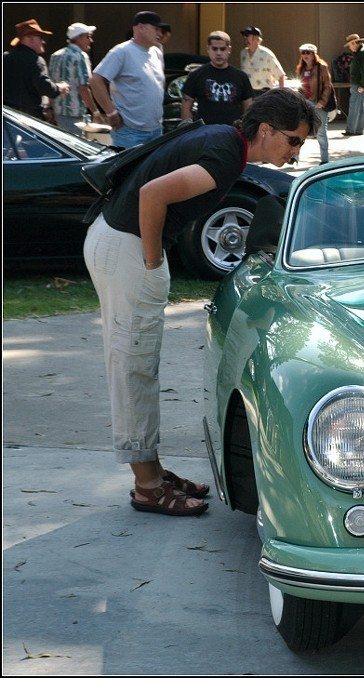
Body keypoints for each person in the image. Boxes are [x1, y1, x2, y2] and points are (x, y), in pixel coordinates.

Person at [82, 88, 317, 516]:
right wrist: (152, 259)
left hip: (118, 241)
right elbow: (153, 194)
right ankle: (147, 487)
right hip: (127, 248)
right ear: (266, 129)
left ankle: (149, 469)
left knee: (139, 363)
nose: (296, 152)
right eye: (294, 140)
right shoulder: (226, 151)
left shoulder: (225, 140)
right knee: (134, 365)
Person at [89, 11, 165, 149]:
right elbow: (96, 80)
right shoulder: (122, 51)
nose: (159, 33)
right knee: (130, 171)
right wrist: (111, 112)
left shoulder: (156, 53)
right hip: (130, 132)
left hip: (156, 131)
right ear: (140, 27)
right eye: (156, 28)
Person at [180, 31, 253, 126]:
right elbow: (186, 106)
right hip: (205, 134)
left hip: (233, 134)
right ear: (208, 49)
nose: (218, 53)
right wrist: (189, 130)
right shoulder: (196, 75)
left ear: (229, 49)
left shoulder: (241, 77)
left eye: (222, 49)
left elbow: (248, 108)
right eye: (214, 49)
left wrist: (246, 131)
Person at [3, 19, 70, 121]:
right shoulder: (36, 60)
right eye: (40, 38)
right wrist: (60, 87)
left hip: (7, 119)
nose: (43, 42)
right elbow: (45, 87)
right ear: (30, 39)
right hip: (29, 121)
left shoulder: (5, 57)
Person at [49, 22, 98, 136]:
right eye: (88, 37)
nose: (91, 41)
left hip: (58, 113)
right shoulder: (80, 56)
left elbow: (50, 85)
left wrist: (51, 110)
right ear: (79, 38)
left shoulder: (55, 55)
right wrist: (95, 112)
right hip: (75, 115)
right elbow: (83, 88)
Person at [295, 43, 333, 162]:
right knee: (300, 130)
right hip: (305, 104)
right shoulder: (301, 68)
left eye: (308, 52)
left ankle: (325, 160)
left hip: (319, 105)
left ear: (313, 54)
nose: (305, 55)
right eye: (303, 53)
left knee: (321, 133)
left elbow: (328, 86)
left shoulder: (321, 67)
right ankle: (294, 157)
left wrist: (322, 101)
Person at [239, 26, 285, 94]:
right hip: (247, 93)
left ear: (256, 38)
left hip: (263, 93)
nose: (245, 38)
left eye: (247, 35)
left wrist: (282, 95)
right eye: (244, 36)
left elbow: (280, 75)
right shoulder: (243, 53)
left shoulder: (266, 54)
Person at [342, 33, 364, 137]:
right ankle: (358, 130)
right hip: (359, 83)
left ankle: (351, 130)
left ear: (355, 43)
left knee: (354, 106)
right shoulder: (361, 52)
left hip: (358, 84)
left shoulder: (363, 53)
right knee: (359, 106)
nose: (349, 47)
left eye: (350, 45)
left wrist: (362, 85)